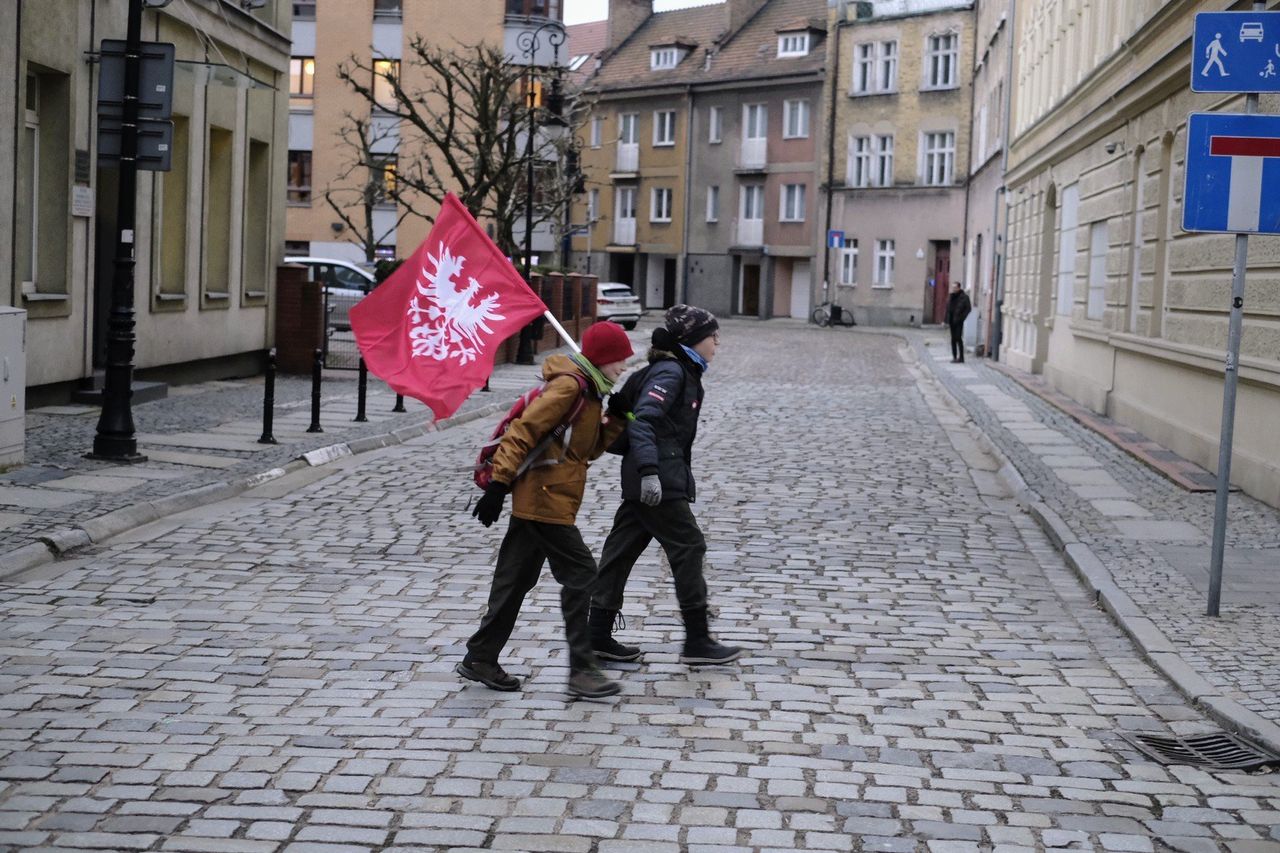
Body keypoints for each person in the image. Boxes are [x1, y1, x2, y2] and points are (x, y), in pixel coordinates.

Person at [460, 321, 634, 699]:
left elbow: (582, 453)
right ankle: (582, 671)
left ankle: (480, 657)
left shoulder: (591, 393)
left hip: (551, 498)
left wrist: (616, 419)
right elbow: (524, 431)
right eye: (619, 360)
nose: (624, 367)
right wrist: (498, 484)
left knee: (513, 582)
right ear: (602, 359)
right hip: (543, 499)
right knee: (584, 576)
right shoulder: (570, 386)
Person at [590, 305, 742, 667]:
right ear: (692, 340)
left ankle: (595, 635)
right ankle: (697, 640)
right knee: (689, 546)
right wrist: (649, 472)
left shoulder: (675, 370)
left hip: (650, 475)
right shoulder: (672, 373)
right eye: (712, 336)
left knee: (619, 553)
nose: (717, 343)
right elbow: (643, 423)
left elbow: (631, 414)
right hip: (658, 479)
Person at [944, 282, 971, 363]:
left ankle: (961, 357)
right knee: (953, 339)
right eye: (953, 287)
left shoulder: (964, 297)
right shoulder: (951, 296)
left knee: (958, 338)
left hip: (959, 321)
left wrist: (962, 318)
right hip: (951, 320)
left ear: (959, 288)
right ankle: (954, 357)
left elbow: (968, 309)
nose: (953, 289)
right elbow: (948, 308)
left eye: (955, 287)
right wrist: (945, 320)